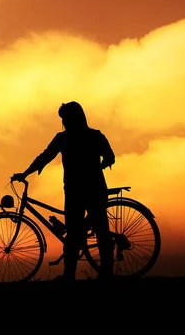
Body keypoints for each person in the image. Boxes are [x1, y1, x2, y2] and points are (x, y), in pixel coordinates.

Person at [11, 101, 115, 281]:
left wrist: (26, 173)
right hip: (93, 188)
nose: (64, 122)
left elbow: (45, 156)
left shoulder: (64, 139)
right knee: (95, 231)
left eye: (66, 118)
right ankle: (100, 273)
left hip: (78, 191)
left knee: (79, 234)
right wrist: (97, 167)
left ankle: (70, 276)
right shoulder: (94, 136)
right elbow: (110, 158)